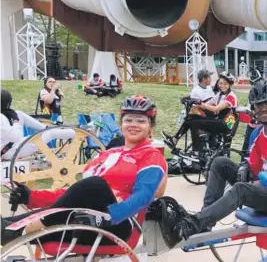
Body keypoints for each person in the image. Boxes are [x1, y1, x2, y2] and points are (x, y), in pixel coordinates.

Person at [2, 95, 168, 246]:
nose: (133, 125)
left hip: (117, 225)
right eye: (129, 119)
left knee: (94, 185)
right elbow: (73, 196)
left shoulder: (150, 155)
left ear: (150, 126)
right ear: (121, 124)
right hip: (84, 220)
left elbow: (144, 196)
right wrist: (32, 197)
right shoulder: (108, 155)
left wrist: (109, 216)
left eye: (141, 121)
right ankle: (10, 228)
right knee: (86, 189)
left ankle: (20, 228)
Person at [174, 82, 267, 239]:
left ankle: (194, 223)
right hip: (265, 186)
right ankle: (205, 221)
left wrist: (260, 183)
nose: (263, 108)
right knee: (220, 163)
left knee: (240, 189)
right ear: (254, 109)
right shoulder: (257, 134)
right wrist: (246, 167)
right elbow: (256, 168)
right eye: (258, 105)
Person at [1, 89, 75, 161]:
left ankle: (46, 127)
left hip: (9, 146)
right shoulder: (2, 118)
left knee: (18, 113)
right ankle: (76, 132)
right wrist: (15, 121)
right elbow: (16, 137)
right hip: (10, 150)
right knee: (50, 134)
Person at [161, 69, 216, 152]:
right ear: (204, 79)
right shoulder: (196, 91)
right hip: (203, 114)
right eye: (209, 77)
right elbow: (196, 107)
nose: (211, 79)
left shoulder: (209, 88)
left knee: (189, 119)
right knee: (190, 118)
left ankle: (175, 138)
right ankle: (175, 139)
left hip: (212, 112)